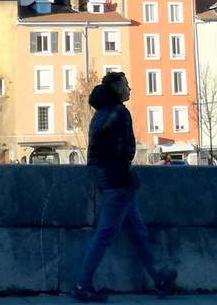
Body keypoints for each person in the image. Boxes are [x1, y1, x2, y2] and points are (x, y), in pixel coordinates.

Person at [74, 72, 177, 302]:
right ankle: (82, 284)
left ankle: (160, 278)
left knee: (137, 231)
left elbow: (98, 153)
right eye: (127, 85)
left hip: (105, 178)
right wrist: (125, 178)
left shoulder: (100, 113)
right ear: (118, 89)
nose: (130, 89)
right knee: (105, 234)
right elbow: (122, 150)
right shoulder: (120, 113)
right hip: (117, 181)